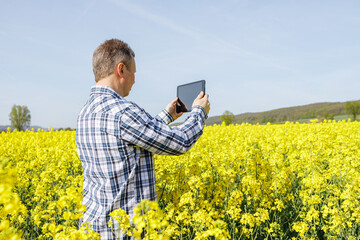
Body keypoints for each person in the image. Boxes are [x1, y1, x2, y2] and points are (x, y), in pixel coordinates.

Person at [76, 39, 210, 239]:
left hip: (93, 230)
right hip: (124, 232)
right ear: (121, 69)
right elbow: (181, 142)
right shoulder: (123, 112)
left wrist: (167, 116)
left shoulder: (85, 113)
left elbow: (134, 138)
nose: (135, 80)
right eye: (133, 73)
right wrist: (199, 111)